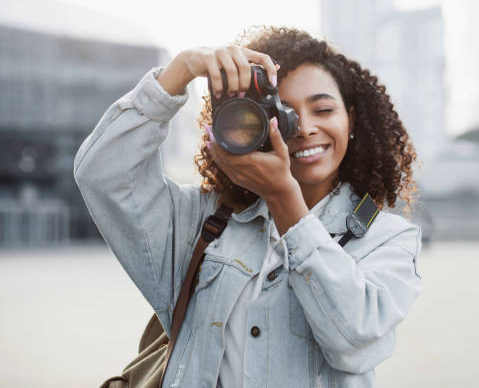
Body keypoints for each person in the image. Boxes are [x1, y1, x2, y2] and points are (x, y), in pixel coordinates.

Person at [74, 26, 422, 388]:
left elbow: (354, 341)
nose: (303, 127)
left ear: (350, 119)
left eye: (323, 109)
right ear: (248, 123)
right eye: (283, 112)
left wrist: (285, 200)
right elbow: (103, 175)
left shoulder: (389, 240)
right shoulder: (203, 222)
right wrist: (180, 71)